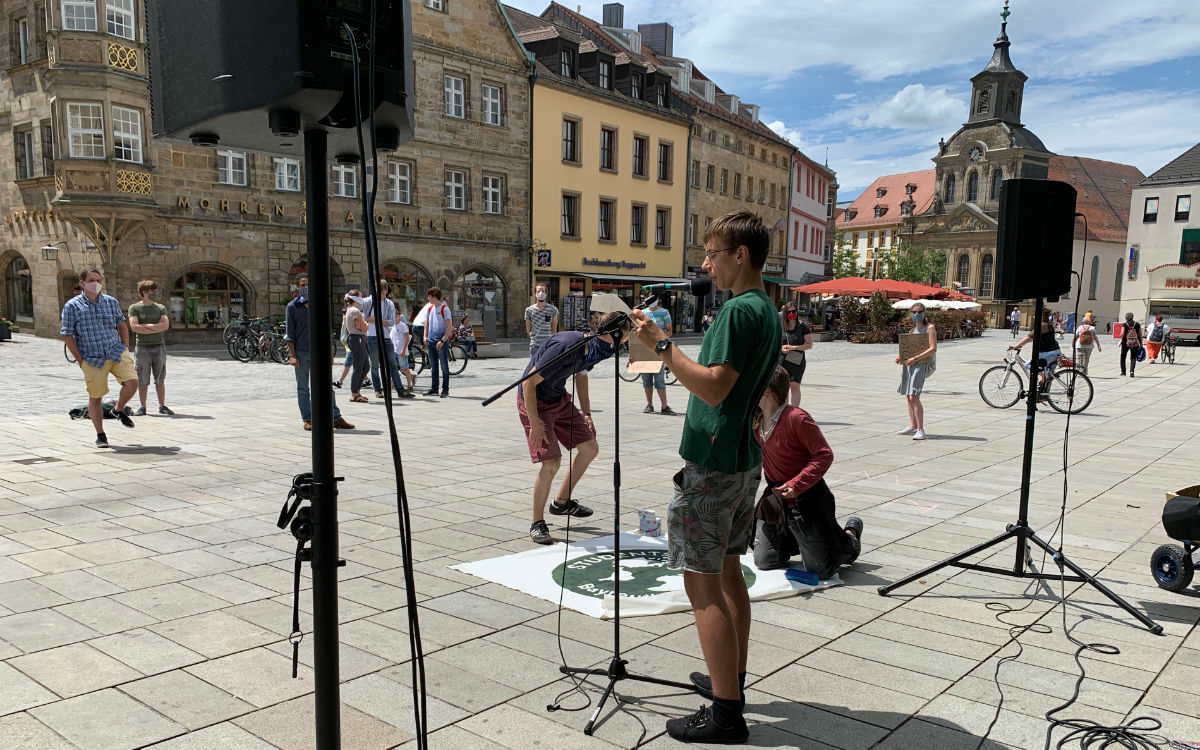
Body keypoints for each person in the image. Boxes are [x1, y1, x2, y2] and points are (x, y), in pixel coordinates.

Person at [630, 210, 781, 744]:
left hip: (714, 467)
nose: (705, 264)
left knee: (703, 589)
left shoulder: (738, 312)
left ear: (740, 255)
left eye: (712, 254)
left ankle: (725, 713)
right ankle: (731, 681)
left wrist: (662, 344)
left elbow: (714, 387)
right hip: (741, 460)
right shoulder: (766, 307)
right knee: (729, 573)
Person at [520, 311, 624, 545]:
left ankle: (562, 502)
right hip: (535, 401)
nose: (622, 345)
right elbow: (528, 383)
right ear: (607, 334)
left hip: (558, 397)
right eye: (622, 338)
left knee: (590, 448)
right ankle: (537, 523)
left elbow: (581, 376)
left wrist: (586, 413)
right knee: (551, 463)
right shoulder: (565, 346)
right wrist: (535, 425)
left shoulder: (597, 348)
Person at [750, 366, 862, 576]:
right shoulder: (756, 419)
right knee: (764, 561)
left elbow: (824, 454)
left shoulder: (797, 418)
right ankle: (800, 541)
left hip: (807, 498)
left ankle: (851, 539)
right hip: (777, 498)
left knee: (820, 571)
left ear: (766, 391)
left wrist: (796, 484)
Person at [61, 268, 137, 448]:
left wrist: (124, 347)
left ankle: (118, 409)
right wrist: (80, 360)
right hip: (92, 357)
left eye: (98, 279)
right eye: (91, 280)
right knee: (96, 397)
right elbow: (67, 335)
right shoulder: (72, 306)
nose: (95, 283)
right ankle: (100, 434)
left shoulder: (111, 302)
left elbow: (122, 325)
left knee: (132, 383)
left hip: (116, 351)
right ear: (82, 283)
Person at [284, 275, 354, 431]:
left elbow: (326, 330)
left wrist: (329, 352)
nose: (306, 287)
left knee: (326, 386)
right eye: (303, 285)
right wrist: (292, 355)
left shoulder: (320, 304)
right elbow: (290, 334)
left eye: (309, 284)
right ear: (297, 287)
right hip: (302, 352)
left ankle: (335, 417)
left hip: (320, 353)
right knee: (303, 388)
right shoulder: (292, 307)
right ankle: (308, 418)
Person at [126, 279, 173, 416]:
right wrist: (155, 327)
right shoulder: (134, 308)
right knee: (142, 378)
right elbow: (134, 327)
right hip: (142, 348)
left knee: (160, 377)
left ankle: (162, 405)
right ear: (144, 292)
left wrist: (146, 326)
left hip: (159, 346)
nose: (155, 292)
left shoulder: (160, 308)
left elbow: (165, 326)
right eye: (152, 290)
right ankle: (142, 406)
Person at [896, 302, 937, 440]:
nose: (916, 314)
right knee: (908, 395)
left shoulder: (929, 328)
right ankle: (912, 425)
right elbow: (908, 350)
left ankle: (921, 429)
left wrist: (915, 358)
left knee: (914, 395)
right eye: (914, 312)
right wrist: (901, 357)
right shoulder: (912, 331)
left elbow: (933, 348)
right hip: (910, 364)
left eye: (919, 312)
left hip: (921, 363)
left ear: (924, 313)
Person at [363, 282, 407, 400]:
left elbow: (391, 322)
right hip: (372, 335)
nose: (383, 292)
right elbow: (365, 318)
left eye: (384, 290)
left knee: (392, 364)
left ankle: (400, 390)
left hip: (386, 336)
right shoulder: (368, 301)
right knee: (375, 364)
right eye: (381, 290)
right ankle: (378, 389)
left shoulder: (389, 304)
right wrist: (382, 320)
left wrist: (375, 319)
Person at [1010, 308, 1061, 393]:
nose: (1034, 317)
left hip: (1048, 353)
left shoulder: (1042, 325)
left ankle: (1044, 379)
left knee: (1029, 365)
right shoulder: (1049, 324)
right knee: (1047, 377)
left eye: (1035, 315)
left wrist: (1016, 346)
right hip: (1055, 352)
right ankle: (1043, 394)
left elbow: (1029, 337)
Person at [640, 296, 675, 415]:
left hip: (658, 349)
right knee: (646, 379)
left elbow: (669, 330)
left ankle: (664, 406)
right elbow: (637, 332)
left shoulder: (664, 312)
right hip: (644, 349)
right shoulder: (643, 313)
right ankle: (649, 404)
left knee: (659, 378)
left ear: (658, 299)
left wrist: (661, 340)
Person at [418, 286, 454, 397]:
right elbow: (427, 323)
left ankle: (445, 390)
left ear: (434, 297)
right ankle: (434, 389)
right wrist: (425, 336)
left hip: (441, 341)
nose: (428, 299)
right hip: (431, 340)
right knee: (433, 366)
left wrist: (443, 341)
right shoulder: (430, 308)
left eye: (429, 296)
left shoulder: (445, 309)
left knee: (444, 366)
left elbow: (449, 327)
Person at [779, 301, 813, 406]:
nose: (791, 314)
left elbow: (809, 344)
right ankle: (783, 412)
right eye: (789, 312)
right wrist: (781, 348)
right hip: (782, 360)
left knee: (794, 385)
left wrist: (794, 347)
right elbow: (775, 342)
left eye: (794, 311)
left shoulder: (803, 326)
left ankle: (794, 411)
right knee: (783, 387)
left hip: (796, 360)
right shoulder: (781, 326)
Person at [342, 292, 370, 403]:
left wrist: (364, 325)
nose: (362, 298)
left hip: (358, 338)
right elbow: (363, 327)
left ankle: (357, 391)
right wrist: (365, 324)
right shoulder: (355, 311)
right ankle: (354, 393)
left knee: (365, 366)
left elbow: (362, 326)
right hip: (356, 338)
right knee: (359, 366)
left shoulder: (352, 310)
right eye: (360, 296)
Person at [524, 283, 559, 358]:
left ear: (546, 293)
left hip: (547, 344)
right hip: (535, 345)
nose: (541, 293)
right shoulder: (529, 310)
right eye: (538, 291)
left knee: (546, 367)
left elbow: (554, 329)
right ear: (535, 293)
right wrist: (533, 337)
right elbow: (528, 328)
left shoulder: (553, 309)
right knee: (534, 367)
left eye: (543, 291)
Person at [389, 312, 416, 396]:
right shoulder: (393, 327)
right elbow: (392, 339)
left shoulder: (402, 325)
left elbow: (407, 338)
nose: (395, 318)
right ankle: (391, 385)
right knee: (396, 369)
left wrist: (404, 349)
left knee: (405, 368)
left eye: (396, 317)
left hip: (402, 351)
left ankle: (409, 385)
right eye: (393, 317)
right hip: (395, 351)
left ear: (399, 317)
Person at [1119, 312, 1143, 377]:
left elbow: (1122, 334)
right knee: (1133, 357)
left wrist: (1122, 340)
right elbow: (1140, 335)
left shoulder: (1125, 324)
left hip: (1126, 343)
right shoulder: (1137, 324)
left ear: (1126, 318)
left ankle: (1123, 372)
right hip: (1135, 343)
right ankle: (1132, 371)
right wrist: (1141, 343)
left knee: (1123, 356)